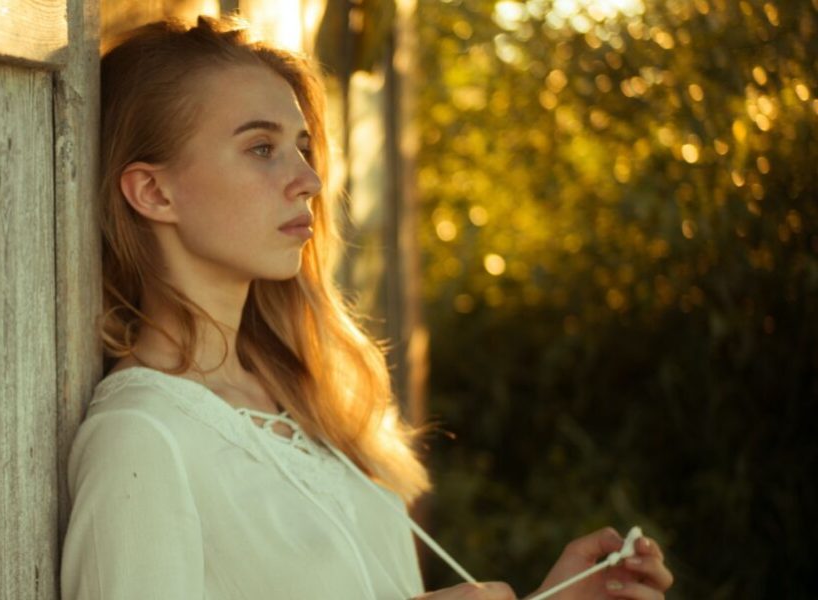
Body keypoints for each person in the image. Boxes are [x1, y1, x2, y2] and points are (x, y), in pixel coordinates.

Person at [60, 14, 674, 600]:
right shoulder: (142, 438)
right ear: (153, 191)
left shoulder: (301, 397)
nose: (309, 180)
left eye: (301, 147)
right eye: (260, 148)